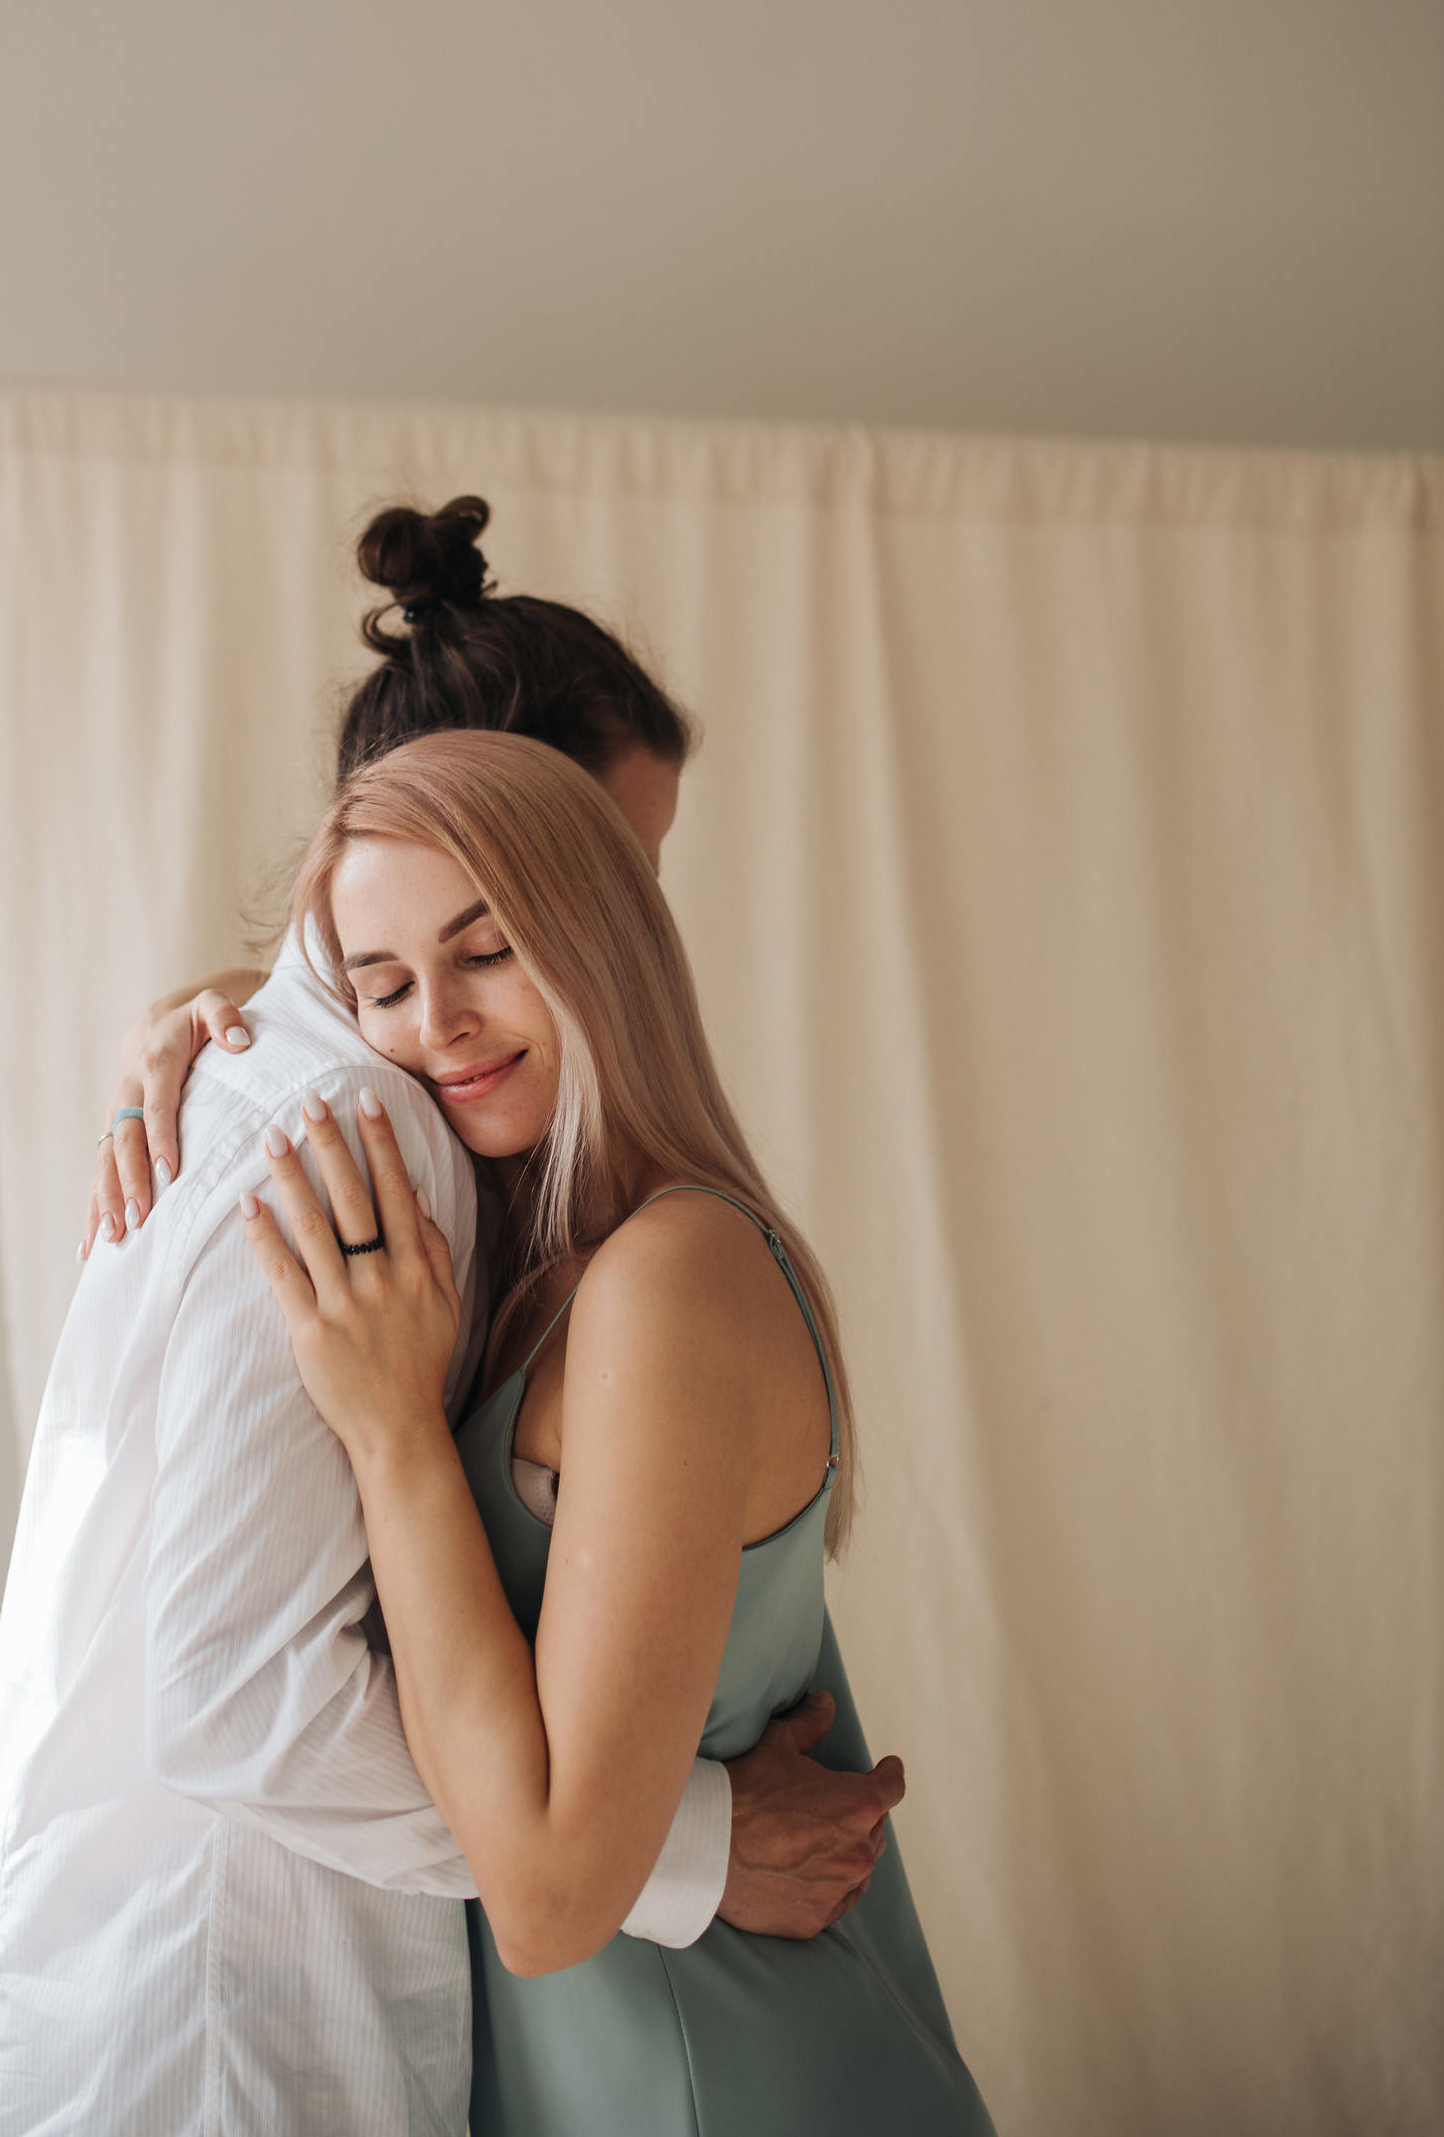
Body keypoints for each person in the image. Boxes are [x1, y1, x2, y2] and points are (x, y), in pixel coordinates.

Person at [0, 504, 901, 2137]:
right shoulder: (360, 1127)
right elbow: (240, 1692)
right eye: (615, 860)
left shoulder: (447, 1144)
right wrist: (685, 1848)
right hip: (233, 2033)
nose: (641, 915)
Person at [244, 728, 995, 2136]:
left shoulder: (670, 1277)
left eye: (486, 952)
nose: (436, 1025)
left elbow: (546, 1901)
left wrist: (397, 1438)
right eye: (384, 986)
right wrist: (178, 1027)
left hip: (723, 2075)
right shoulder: (541, 1267)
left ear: (604, 937)